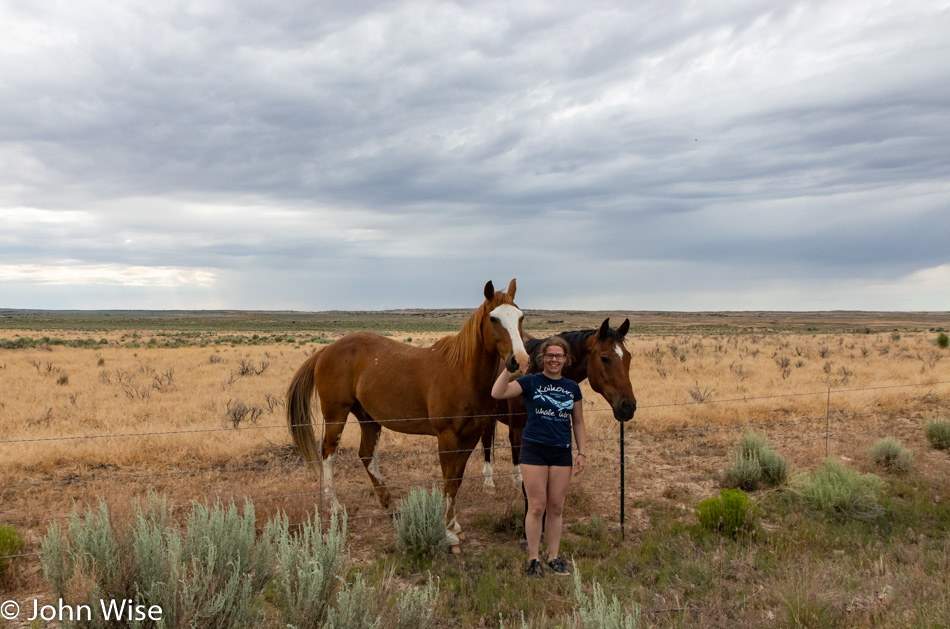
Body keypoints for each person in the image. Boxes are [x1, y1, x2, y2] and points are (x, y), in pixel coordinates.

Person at [491, 336, 587, 577]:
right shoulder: (531, 382)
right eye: (550, 355)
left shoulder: (572, 387)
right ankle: (533, 559)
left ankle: (553, 557)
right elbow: (497, 392)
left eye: (559, 356)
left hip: (561, 451)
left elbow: (578, 421)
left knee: (555, 507)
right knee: (536, 507)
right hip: (533, 450)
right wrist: (509, 369)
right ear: (542, 358)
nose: (554, 359)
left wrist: (582, 451)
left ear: (566, 359)